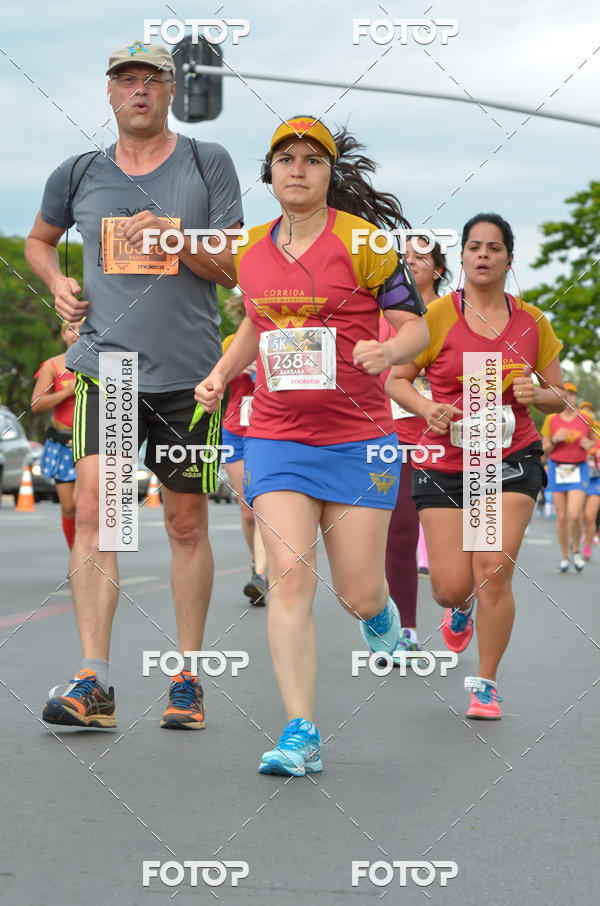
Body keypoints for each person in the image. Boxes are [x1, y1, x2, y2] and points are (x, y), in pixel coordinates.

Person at [194, 115, 429, 775]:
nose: (298, 169)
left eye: (311, 160)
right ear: (269, 174)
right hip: (276, 434)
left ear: (329, 173)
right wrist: (220, 371)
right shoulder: (252, 249)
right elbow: (254, 328)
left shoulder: (365, 243)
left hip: (358, 439)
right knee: (290, 577)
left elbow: (416, 326)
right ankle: (301, 731)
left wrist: (391, 346)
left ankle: (380, 617)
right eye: (286, 159)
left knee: (357, 592)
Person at [25, 41, 243, 729]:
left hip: (189, 375)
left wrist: (178, 239)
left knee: (184, 523)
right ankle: (97, 680)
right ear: (110, 94)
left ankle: (187, 677)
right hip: (108, 369)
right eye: (127, 80)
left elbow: (236, 268)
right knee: (98, 516)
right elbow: (38, 240)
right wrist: (58, 282)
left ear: (174, 91)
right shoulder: (78, 172)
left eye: (153, 80)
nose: (139, 91)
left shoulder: (208, 162)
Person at [387, 212, 566, 720]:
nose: (483, 254)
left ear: (509, 259)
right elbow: (397, 381)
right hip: (444, 461)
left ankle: (485, 683)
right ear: (462, 258)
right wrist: (427, 409)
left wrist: (540, 393)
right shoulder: (437, 316)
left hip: (509, 459)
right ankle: (458, 608)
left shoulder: (533, 322)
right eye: (474, 247)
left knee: (493, 570)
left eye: (494, 247)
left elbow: (558, 395)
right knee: (450, 585)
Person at [379, 238, 449, 656]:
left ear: (438, 268)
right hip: (395, 437)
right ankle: (405, 629)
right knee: (400, 533)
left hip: (448, 441)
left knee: (459, 545)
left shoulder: (454, 313)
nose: (409, 264)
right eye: (403, 259)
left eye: (419, 258)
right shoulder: (384, 317)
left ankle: (461, 603)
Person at [221, 295, 269, 604]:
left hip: (268, 431)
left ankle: (261, 576)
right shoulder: (229, 344)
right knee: (248, 511)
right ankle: (257, 562)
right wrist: (238, 367)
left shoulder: (278, 339)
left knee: (264, 506)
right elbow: (215, 380)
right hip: (235, 430)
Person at [31, 319, 83, 551]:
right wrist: (66, 392)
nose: (77, 334)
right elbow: (36, 404)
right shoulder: (53, 365)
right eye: (71, 329)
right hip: (64, 443)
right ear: (63, 334)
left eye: (83, 328)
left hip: (93, 442)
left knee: (85, 505)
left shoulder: (104, 363)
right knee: (69, 507)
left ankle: (92, 557)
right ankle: (76, 557)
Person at [541, 384, 594, 572]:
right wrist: (556, 439)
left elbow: (594, 442)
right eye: (566, 395)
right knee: (562, 517)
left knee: (574, 513)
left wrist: (590, 444)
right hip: (557, 469)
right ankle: (565, 557)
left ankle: (577, 551)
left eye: (572, 395)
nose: (569, 398)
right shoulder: (551, 419)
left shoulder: (586, 418)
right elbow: (543, 450)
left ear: (576, 398)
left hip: (579, 468)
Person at [579, 402, 600, 561]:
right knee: (577, 513)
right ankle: (582, 535)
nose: (587, 414)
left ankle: (587, 547)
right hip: (578, 474)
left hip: (596, 477)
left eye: (590, 411)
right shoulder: (576, 430)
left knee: (590, 515)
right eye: (584, 411)